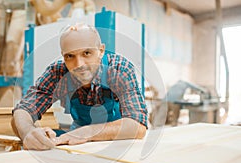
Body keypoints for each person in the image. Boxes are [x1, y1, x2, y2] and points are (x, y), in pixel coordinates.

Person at [12, 23, 148, 150]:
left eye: (86, 53)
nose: (79, 64)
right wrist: (28, 132)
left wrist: (88, 132)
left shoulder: (119, 69)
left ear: (101, 51)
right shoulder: (58, 73)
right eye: (70, 56)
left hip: (119, 141)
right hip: (78, 145)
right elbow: (23, 110)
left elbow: (137, 126)